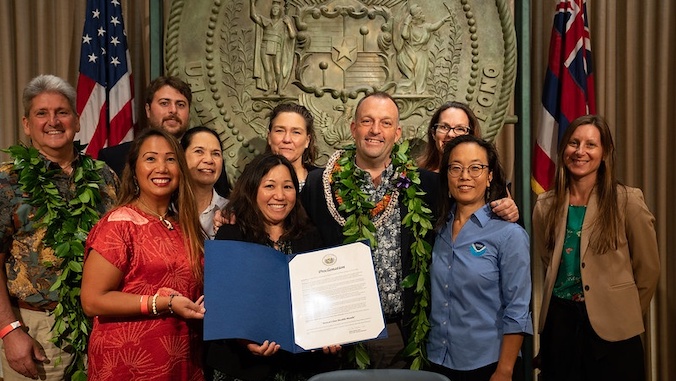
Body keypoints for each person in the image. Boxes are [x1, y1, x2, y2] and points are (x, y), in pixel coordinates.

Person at [0, 74, 118, 380]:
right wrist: (10, 330)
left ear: (77, 122)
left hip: (100, 324)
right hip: (35, 327)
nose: (53, 121)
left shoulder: (105, 176)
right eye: (42, 113)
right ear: (27, 124)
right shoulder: (6, 181)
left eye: (62, 112)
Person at [532, 115, 660, 381]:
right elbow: (548, 259)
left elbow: (647, 270)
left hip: (614, 331)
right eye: (573, 143)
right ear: (563, 149)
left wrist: (623, 312)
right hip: (560, 325)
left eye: (590, 145)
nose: (580, 152)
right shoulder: (545, 205)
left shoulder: (628, 201)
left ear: (604, 153)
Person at [81, 128, 206, 380]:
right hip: (128, 364)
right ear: (134, 170)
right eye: (150, 158)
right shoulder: (118, 224)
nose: (161, 167)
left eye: (170, 159)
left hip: (183, 360)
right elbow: (92, 300)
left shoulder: (186, 226)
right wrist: (161, 303)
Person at [206, 153, 340, 381]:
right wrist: (244, 339)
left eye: (287, 187)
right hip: (243, 367)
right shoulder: (231, 234)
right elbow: (220, 304)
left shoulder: (311, 236)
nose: (280, 195)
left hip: (301, 367)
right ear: (252, 190)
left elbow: (325, 297)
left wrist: (330, 333)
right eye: (269, 186)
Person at [426, 134, 532, 381]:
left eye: (476, 167)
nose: (465, 176)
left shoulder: (509, 234)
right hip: (436, 361)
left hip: (488, 365)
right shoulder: (437, 229)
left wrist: (504, 371)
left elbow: (518, 308)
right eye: (456, 168)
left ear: (490, 176)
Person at [418, 101, 519, 223]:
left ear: (471, 135)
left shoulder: (486, 174)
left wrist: (510, 211)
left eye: (460, 129)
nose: (450, 134)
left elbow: (510, 227)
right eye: (444, 127)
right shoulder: (417, 177)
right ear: (433, 133)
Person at [98, 76, 193, 176]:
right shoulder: (113, 158)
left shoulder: (202, 161)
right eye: (164, 103)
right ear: (148, 110)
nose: (173, 110)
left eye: (181, 105)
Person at [181, 126, 229, 239]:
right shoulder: (165, 209)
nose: (209, 160)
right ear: (181, 157)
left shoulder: (230, 212)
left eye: (216, 154)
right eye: (199, 151)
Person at [395, 4, 451, 94]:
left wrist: (443, 20)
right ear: (416, 16)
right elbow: (404, 35)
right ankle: (408, 89)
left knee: (421, 73)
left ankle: (420, 91)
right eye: (420, 13)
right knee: (411, 74)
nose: (423, 14)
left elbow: (434, 27)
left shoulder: (425, 26)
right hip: (411, 53)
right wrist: (406, 23)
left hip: (422, 53)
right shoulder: (410, 27)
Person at [266, 103, 319, 191]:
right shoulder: (253, 178)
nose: (287, 139)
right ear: (269, 137)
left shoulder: (323, 182)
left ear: (307, 140)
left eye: (296, 132)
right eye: (280, 131)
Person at [250, 0, 296, 95]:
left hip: (277, 46)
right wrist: (252, 3)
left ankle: (280, 89)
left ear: (279, 11)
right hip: (265, 46)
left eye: (276, 9)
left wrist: (289, 24)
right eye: (273, 9)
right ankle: (270, 87)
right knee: (267, 69)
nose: (274, 10)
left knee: (277, 69)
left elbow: (292, 35)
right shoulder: (266, 21)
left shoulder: (283, 22)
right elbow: (254, 16)